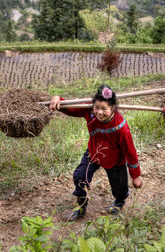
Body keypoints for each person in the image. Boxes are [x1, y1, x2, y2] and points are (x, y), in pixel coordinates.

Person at [49, 84, 142, 221]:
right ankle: (81, 207)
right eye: (96, 107)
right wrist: (58, 99)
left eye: (104, 109)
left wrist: (136, 175)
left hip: (115, 159)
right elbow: (72, 109)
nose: (99, 112)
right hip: (94, 152)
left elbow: (130, 152)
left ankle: (119, 202)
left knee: (120, 187)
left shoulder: (121, 127)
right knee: (80, 176)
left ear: (113, 108)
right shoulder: (89, 111)